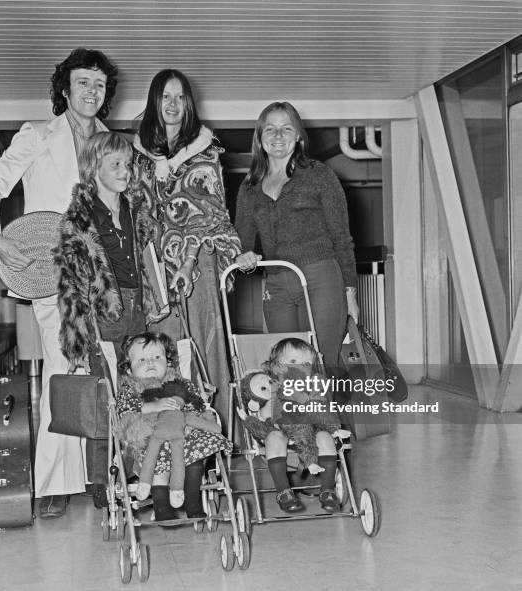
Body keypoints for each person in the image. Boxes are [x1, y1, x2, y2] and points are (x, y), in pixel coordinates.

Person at [0, 48, 118, 518]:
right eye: (82, 83)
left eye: (98, 84)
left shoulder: (115, 143)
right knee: (61, 369)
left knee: (111, 371)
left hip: (108, 274)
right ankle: (55, 482)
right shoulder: (36, 136)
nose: (91, 92)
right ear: (64, 89)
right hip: (52, 272)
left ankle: (107, 475)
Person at [53, 131, 168, 508]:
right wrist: (79, 343)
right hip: (102, 315)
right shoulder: (79, 219)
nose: (125, 170)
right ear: (94, 168)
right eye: (115, 164)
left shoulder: (137, 209)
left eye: (128, 163)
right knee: (104, 399)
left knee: (138, 393)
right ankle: (103, 485)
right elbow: (70, 287)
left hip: (137, 310)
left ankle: (136, 478)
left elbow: (149, 259)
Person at [131, 69, 241, 426]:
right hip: (156, 268)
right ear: (154, 102)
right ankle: (170, 436)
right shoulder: (139, 156)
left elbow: (212, 215)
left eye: (179, 97)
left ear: (188, 103)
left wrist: (189, 260)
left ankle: (216, 437)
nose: (173, 104)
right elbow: (136, 211)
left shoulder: (205, 152)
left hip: (198, 262)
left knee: (206, 347)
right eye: (165, 97)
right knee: (163, 352)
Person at [235, 101, 359, 371]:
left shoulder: (319, 175)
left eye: (286, 129)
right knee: (285, 366)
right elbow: (240, 244)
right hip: (277, 285)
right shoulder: (249, 187)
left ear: (299, 137)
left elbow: (342, 238)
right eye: (270, 129)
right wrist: (243, 257)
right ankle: (293, 414)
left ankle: (327, 414)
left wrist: (349, 295)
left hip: (321, 278)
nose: (278, 136)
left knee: (322, 363)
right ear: (260, 137)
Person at [116, 331, 232, 522]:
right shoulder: (130, 389)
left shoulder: (180, 384)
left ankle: (193, 502)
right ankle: (162, 506)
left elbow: (196, 404)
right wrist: (151, 406)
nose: (150, 363)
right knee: (157, 464)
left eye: (156, 357)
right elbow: (124, 413)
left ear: (168, 362)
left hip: (183, 434)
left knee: (197, 456)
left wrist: (191, 420)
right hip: (151, 438)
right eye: (142, 360)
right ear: (129, 370)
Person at [237, 337, 346, 514]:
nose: (300, 366)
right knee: (274, 437)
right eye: (293, 361)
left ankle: (328, 490)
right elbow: (265, 415)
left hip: (310, 429)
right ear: (277, 366)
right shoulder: (273, 385)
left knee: (325, 437)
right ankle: (284, 492)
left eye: (306, 362)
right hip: (279, 429)